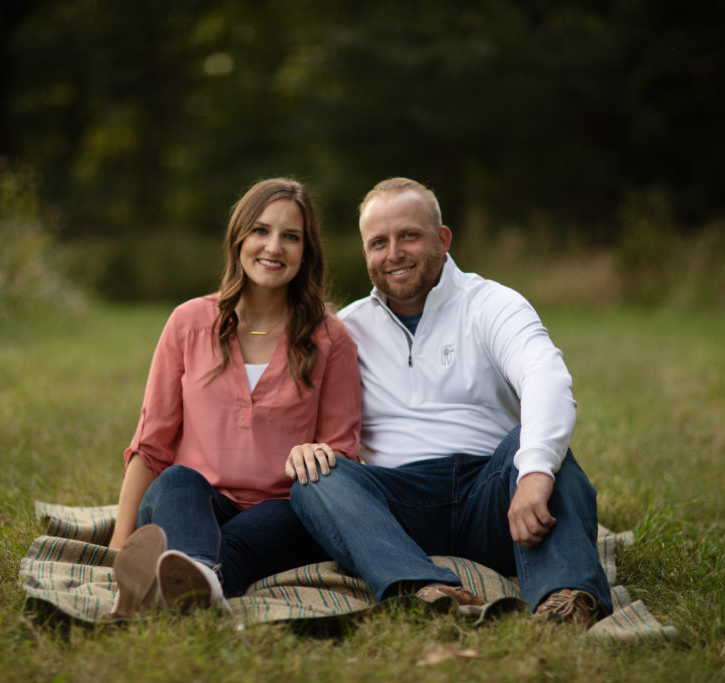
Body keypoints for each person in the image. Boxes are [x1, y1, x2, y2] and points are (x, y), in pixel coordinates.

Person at [289, 177, 613, 627]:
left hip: (495, 495)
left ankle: (566, 598)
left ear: (442, 239)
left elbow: (545, 376)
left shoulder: (492, 304)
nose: (393, 253)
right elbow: (296, 406)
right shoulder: (347, 330)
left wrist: (534, 474)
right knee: (317, 479)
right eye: (378, 242)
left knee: (542, 450)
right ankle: (419, 587)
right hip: (400, 505)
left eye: (409, 236)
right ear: (365, 253)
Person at [108, 178, 361, 617]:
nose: (274, 247)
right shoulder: (188, 322)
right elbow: (150, 447)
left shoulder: (330, 339)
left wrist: (319, 456)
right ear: (239, 237)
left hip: (279, 511)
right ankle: (201, 578)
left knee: (292, 514)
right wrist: (117, 546)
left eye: (291, 237)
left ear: (307, 252)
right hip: (189, 503)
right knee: (177, 480)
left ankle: (183, 581)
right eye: (261, 230)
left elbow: (341, 452)